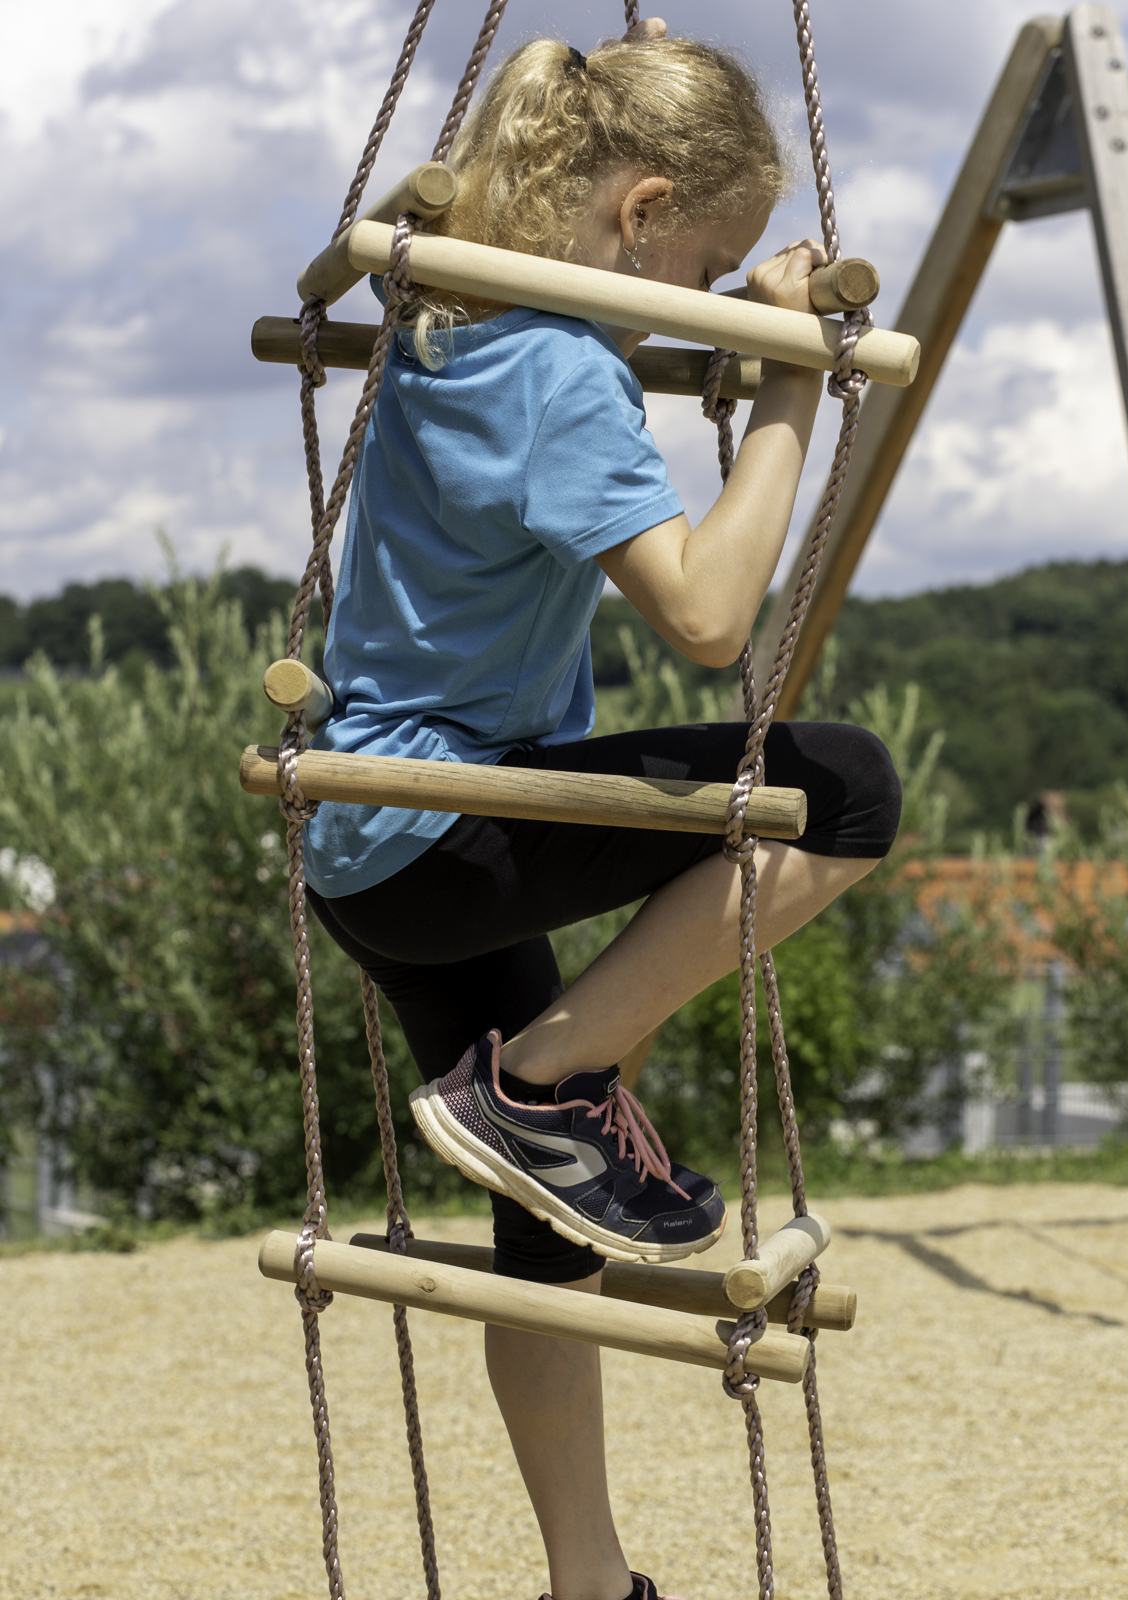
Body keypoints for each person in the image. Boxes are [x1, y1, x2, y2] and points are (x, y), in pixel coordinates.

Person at [302, 21, 901, 1600]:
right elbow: (709, 616)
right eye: (702, 264)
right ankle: (554, 1081)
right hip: (444, 829)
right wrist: (781, 390)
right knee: (840, 788)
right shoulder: (560, 367)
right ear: (634, 219)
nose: (698, 303)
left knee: (541, 1235)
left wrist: (722, 295)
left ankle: (592, 1581)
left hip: (375, 849)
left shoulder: (455, 303)